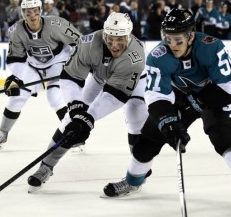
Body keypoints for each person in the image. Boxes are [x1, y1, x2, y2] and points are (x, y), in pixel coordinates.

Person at [103, 8, 231, 212]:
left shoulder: (211, 47)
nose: (173, 45)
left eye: (178, 40)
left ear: (191, 35)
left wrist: (197, 102)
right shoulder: (158, 56)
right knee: (150, 137)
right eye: (168, 39)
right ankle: (133, 181)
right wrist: (167, 120)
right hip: (181, 96)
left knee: (223, 137)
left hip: (216, 95)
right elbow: (156, 95)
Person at [27, 12, 148, 193]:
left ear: (128, 36)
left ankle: (137, 176)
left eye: (120, 39)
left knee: (135, 117)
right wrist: (76, 109)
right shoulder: (89, 42)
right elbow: (70, 77)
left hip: (137, 83)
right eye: (110, 38)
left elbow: (114, 95)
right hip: (100, 77)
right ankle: (46, 165)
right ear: (104, 34)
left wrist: (87, 118)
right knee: (70, 119)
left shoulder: (134, 56)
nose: (114, 44)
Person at [0, 0, 81, 150]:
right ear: (22, 13)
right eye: (28, 12)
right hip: (34, 65)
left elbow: (81, 43)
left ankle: (74, 135)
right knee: (17, 96)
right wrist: (17, 78)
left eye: (35, 11)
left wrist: (75, 64)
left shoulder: (57, 24)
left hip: (57, 63)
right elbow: (15, 59)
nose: (32, 16)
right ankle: (3, 133)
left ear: (40, 10)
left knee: (55, 97)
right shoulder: (16, 30)